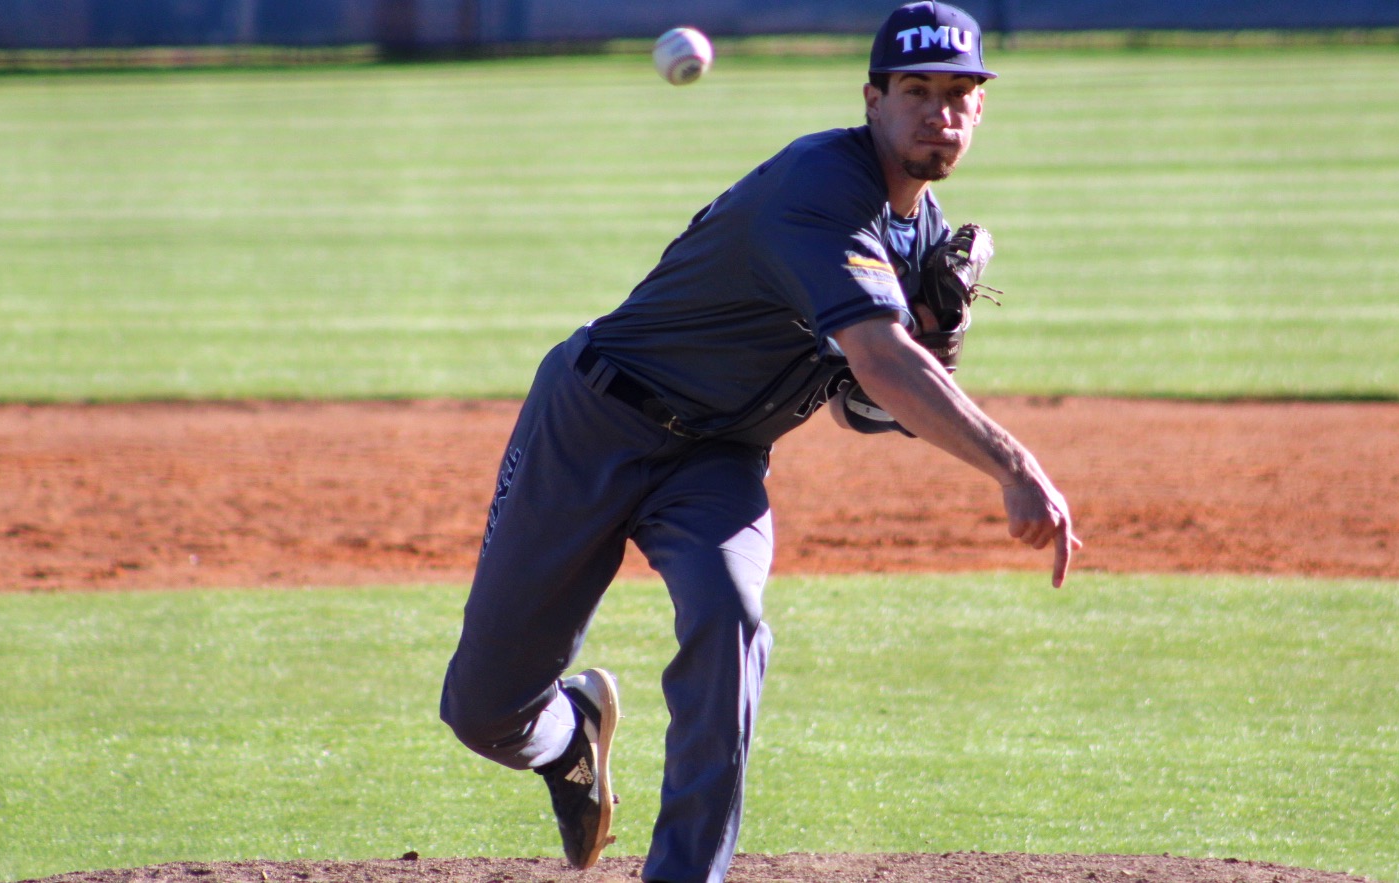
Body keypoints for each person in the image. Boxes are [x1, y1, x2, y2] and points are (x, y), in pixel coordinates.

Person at [438, 4, 1081, 882]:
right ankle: (568, 737)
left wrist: (934, 331)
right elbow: (880, 364)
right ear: (873, 99)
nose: (940, 112)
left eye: (959, 94)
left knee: (732, 622)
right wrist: (1013, 461)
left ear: (980, 110)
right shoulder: (818, 187)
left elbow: (860, 409)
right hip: (594, 419)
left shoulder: (921, 232)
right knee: (484, 711)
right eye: (917, 90)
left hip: (720, 460)